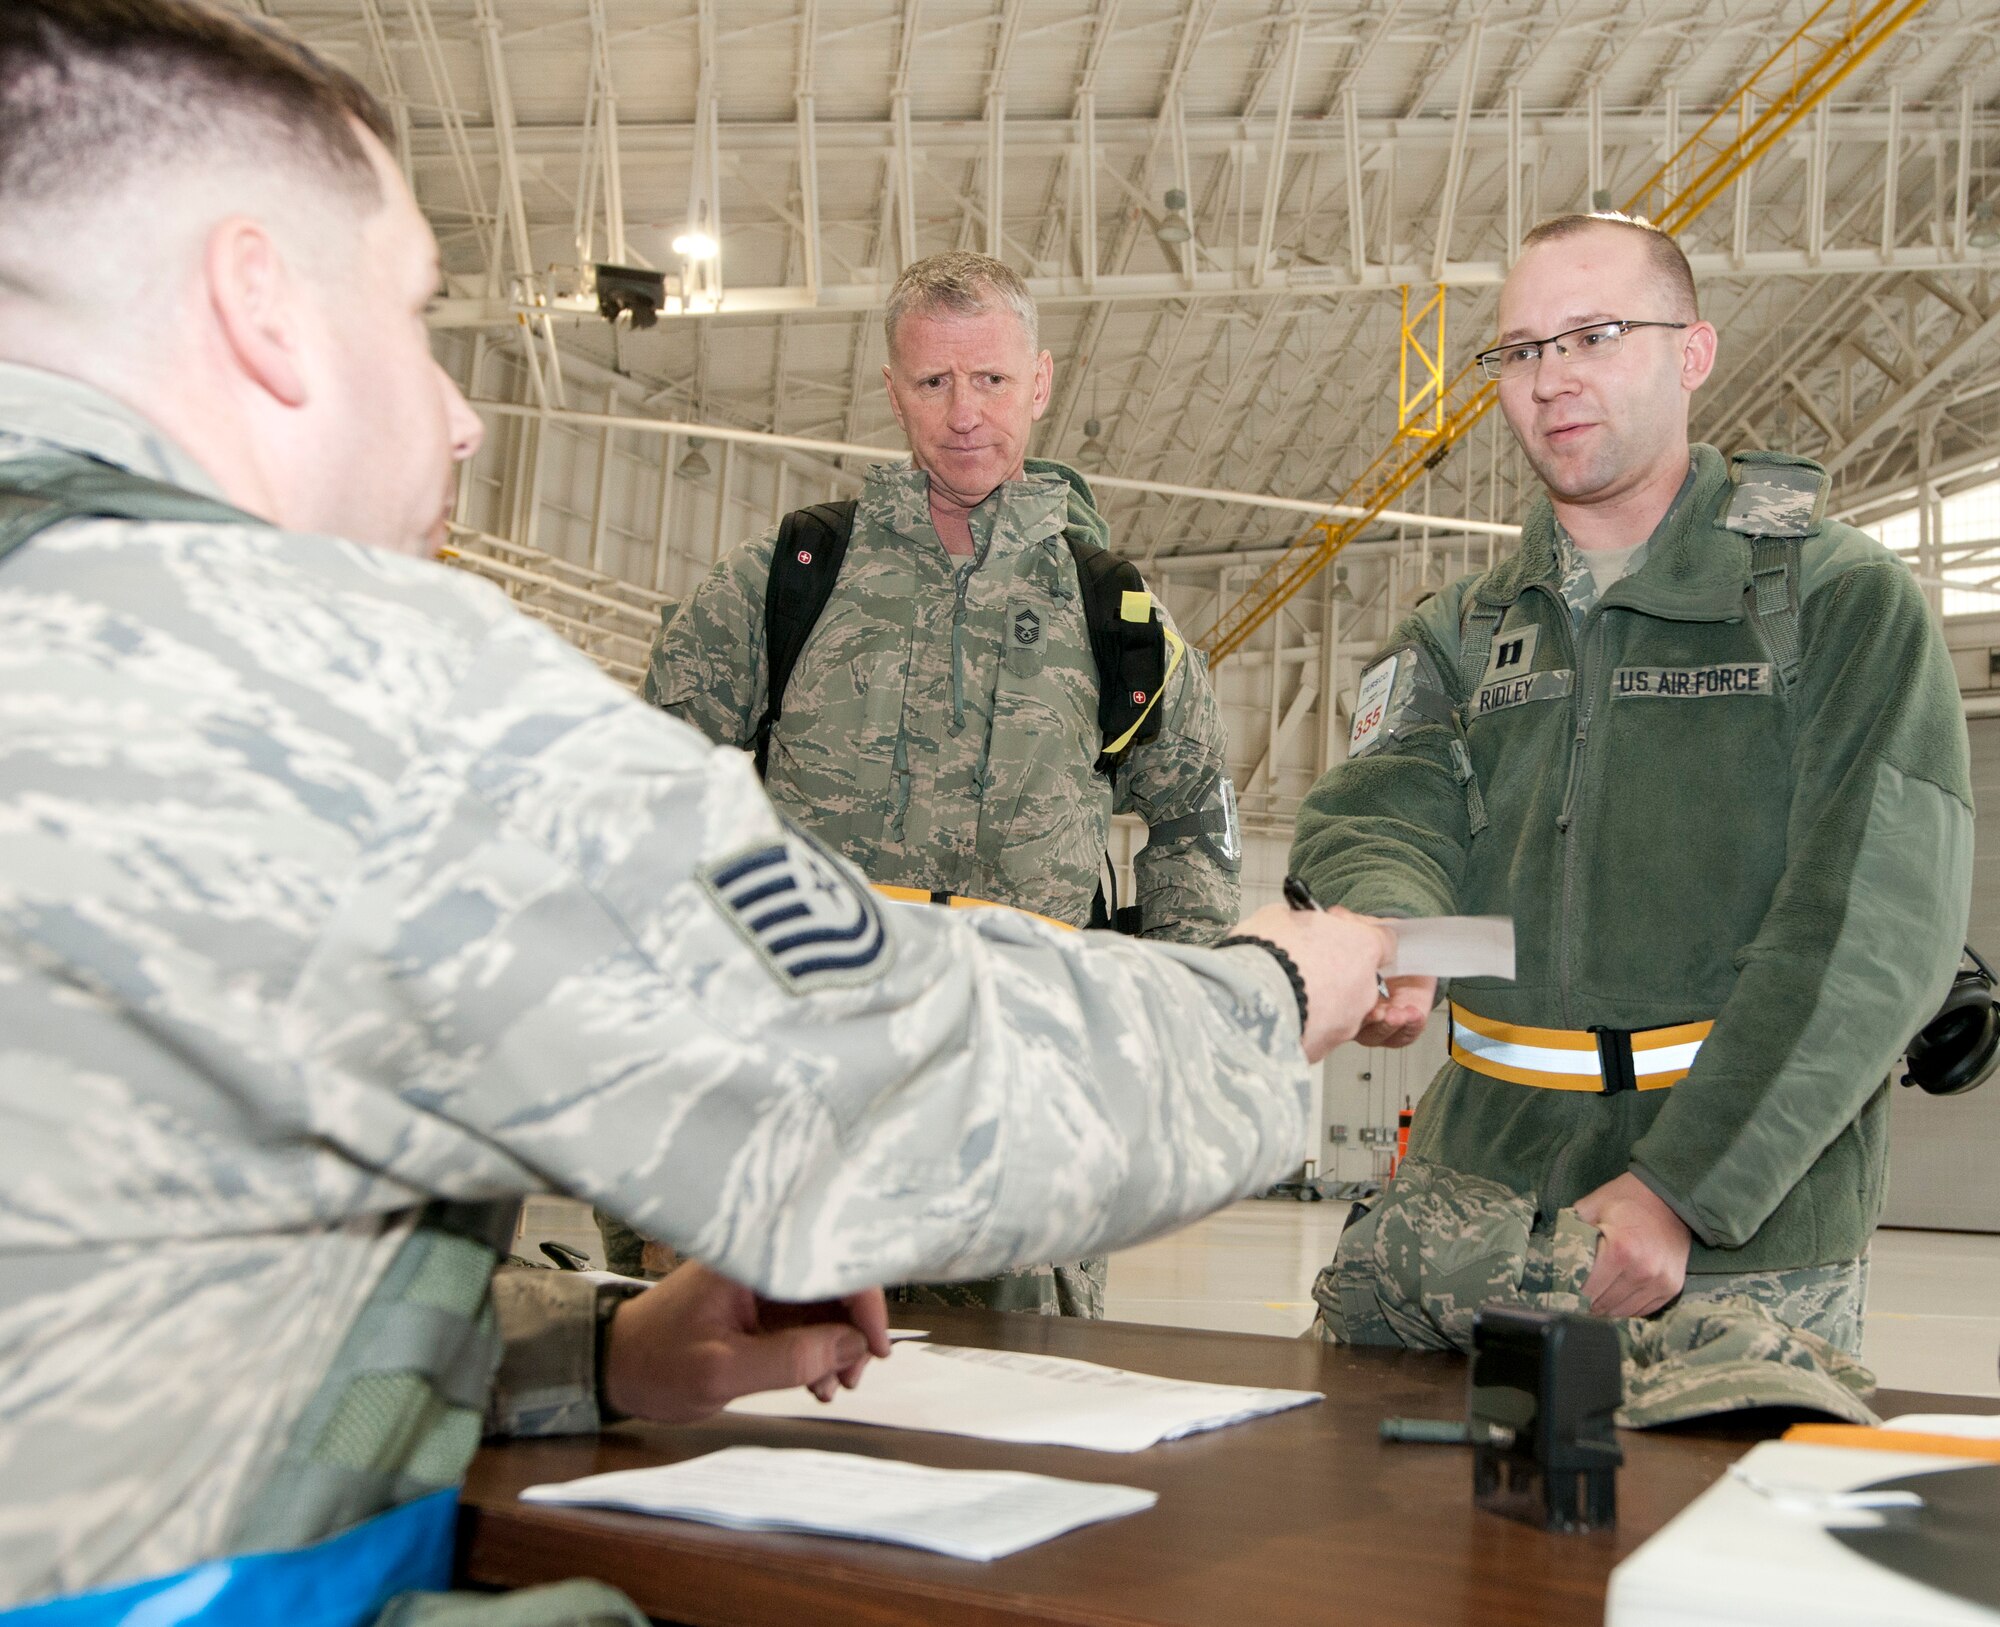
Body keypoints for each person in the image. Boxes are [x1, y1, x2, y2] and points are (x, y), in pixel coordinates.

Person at [0, 3, 1400, 1618]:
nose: (461, 413)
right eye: (413, 311)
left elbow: (172, 1267)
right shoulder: (371, 685)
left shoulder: (1116, 606)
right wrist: (1271, 992)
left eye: (994, 377)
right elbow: (853, 1065)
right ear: (260, 304)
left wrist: (582, 1347)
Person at [1291, 211, 1972, 1355]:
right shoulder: (1459, 628)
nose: (1550, 379)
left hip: (1730, 1241)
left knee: (1702, 1531)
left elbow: (1865, 933)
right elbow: (1381, 807)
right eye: (1519, 350)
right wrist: (1400, 937)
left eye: (1593, 336)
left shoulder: (1835, 604)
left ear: (1690, 352)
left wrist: (1685, 1186)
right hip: (1470, 1215)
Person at [630, 250, 1243, 1317]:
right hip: (809, 1101)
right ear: (891, 389)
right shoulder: (788, 582)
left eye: (991, 381)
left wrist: (1162, 1016)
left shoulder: (1117, 618)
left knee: (1014, 1428)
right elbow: (641, 791)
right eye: (932, 383)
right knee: (777, 1415)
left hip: (1024, 1113)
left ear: (1040, 382)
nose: (964, 415)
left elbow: (1194, 813)